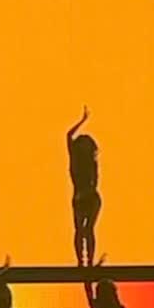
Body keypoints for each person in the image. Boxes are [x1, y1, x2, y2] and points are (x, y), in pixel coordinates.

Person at [66, 107, 101, 266]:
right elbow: (68, 136)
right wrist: (82, 121)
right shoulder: (75, 158)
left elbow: (95, 182)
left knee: (88, 230)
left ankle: (89, 261)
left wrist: (86, 193)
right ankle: (81, 261)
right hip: (80, 197)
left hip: (90, 197)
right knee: (80, 230)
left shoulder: (91, 163)